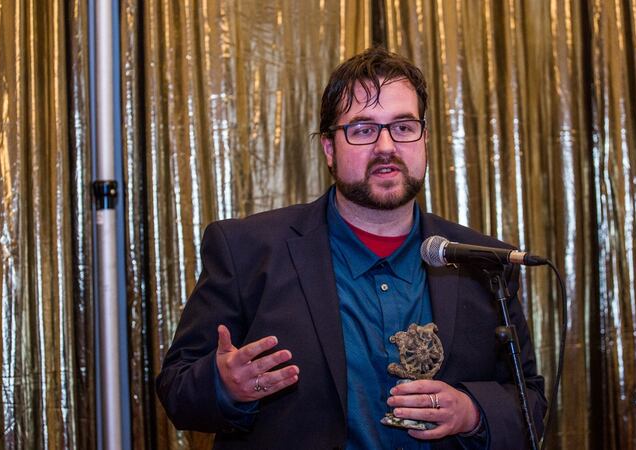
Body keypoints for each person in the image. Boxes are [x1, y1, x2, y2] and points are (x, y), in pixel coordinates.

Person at [156, 47, 546, 449]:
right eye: (362, 129)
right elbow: (177, 389)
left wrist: (472, 412)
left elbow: (530, 401)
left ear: (424, 138)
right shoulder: (248, 250)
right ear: (329, 148)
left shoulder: (484, 261)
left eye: (403, 126)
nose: (386, 146)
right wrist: (224, 387)